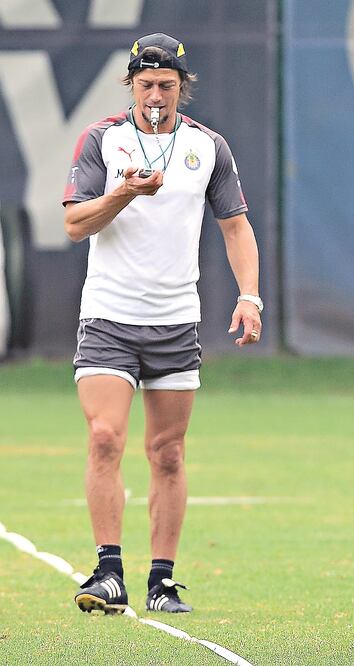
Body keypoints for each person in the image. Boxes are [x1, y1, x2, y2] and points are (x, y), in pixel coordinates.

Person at [63, 32, 262, 615]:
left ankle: (162, 581)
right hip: (108, 314)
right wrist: (123, 194)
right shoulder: (103, 140)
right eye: (147, 85)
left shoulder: (207, 146)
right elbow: (77, 224)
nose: (157, 95)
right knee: (104, 437)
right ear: (130, 85)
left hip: (176, 319)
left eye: (167, 86)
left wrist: (250, 295)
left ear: (182, 88)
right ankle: (107, 572)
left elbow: (235, 226)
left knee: (168, 452)